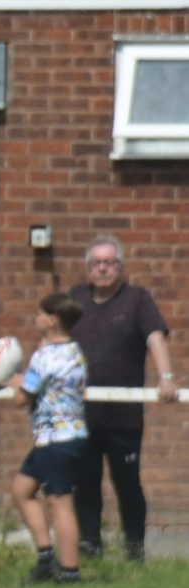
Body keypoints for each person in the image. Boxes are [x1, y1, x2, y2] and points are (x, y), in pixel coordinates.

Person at [69, 235, 178, 561]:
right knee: (86, 482)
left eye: (108, 263)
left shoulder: (137, 300)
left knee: (127, 483)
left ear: (120, 267)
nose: (102, 269)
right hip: (82, 413)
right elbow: (54, 336)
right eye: (96, 263)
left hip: (124, 417)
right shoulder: (75, 299)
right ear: (89, 269)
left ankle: (134, 548)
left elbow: (155, 337)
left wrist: (166, 376)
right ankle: (90, 545)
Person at [10, 292, 88, 585]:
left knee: (59, 502)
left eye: (40, 314)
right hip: (64, 437)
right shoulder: (76, 351)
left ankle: (69, 572)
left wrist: (14, 380)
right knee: (22, 491)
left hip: (56, 439)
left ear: (52, 321)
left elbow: (21, 398)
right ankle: (46, 558)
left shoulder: (43, 357)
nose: (36, 318)